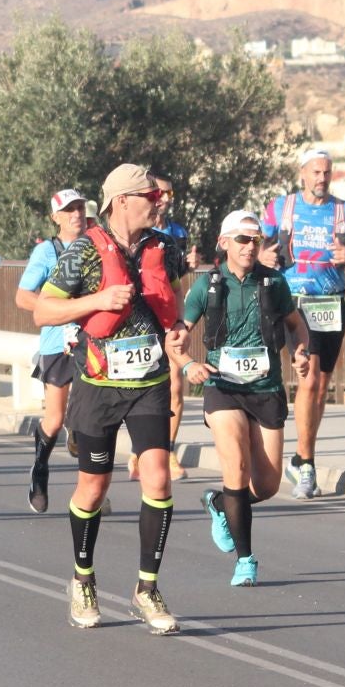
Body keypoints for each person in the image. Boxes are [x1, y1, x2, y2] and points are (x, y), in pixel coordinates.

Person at [30, 163, 193, 633]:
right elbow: (44, 309)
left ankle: (147, 588)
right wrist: (97, 302)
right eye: (148, 195)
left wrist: (177, 327)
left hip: (148, 381)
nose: (157, 201)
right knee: (93, 489)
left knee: (158, 479)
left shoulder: (166, 247)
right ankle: (83, 578)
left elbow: (172, 295)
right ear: (121, 200)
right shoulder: (83, 252)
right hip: (98, 386)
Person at [180, 210, 312, 587]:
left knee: (267, 485)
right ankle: (245, 560)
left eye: (255, 239)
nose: (250, 246)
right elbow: (177, 335)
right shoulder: (207, 286)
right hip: (222, 386)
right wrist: (189, 364)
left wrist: (300, 352)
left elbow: (296, 327)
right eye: (242, 239)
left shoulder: (274, 282)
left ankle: (221, 503)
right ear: (223, 244)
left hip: (266, 388)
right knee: (235, 468)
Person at [259, 148, 345, 499]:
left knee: (321, 386)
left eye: (327, 172)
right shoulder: (281, 208)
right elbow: (255, 247)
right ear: (303, 174)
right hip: (291, 302)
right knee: (307, 379)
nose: (322, 178)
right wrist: (263, 255)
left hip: (331, 304)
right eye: (316, 172)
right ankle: (305, 462)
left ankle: (299, 458)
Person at [16, 189, 87, 513]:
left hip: (90, 341)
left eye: (80, 208)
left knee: (92, 417)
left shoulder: (96, 245)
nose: (76, 214)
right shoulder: (47, 251)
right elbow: (23, 296)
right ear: (56, 217)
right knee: (55, 419)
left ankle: (91, 491)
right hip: (56, 343)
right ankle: (39, 470)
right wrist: (57, 308)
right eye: (69, 210)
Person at [153, 175, 196, 479]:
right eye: (162, 193)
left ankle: (167, 452)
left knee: (175, 388)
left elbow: (177, 276)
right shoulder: (137, 229)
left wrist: (189, 265)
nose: (167, 198)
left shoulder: (178, 231)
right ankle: (140, 452)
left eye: (171, 193)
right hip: (141, 320)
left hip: (168, 317)